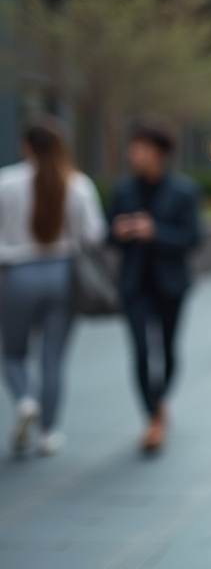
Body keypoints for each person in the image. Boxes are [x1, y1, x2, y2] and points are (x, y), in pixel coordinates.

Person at [0, 119, 105, 456]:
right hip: (63, 275)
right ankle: (48, 431)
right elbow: (94, 235)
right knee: (53, 359)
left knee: (14, 352)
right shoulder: (77, 184)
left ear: (26, 145)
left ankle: (25, 400)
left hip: (18, 275)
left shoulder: (7, 182)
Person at [108, 120, 202, 452]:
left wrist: (155, 232)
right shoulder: (123, 190)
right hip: (134, 284)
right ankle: (152, 417)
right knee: (140, 351)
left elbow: (193, 238)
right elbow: (108, 237)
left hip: (170, 284)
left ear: (159, 153)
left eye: (141, 148)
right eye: (132, 148)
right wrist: (117, 233)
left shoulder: (183, 191)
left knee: (169, 351)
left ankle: (159, 400)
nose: (133, 154)